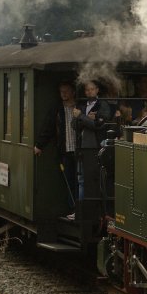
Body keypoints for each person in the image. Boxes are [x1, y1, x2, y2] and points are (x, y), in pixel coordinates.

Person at [34, 81, 78, 213]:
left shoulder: (79, 108)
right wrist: (39, 145)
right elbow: (48, 128)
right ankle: (74, 209)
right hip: (65, 151)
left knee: (80, 181)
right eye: (61, 91)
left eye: (66, 91)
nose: (63, 94)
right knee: (69, 181)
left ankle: (80, 209)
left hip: (80, 151)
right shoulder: (57, 109)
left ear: (73, 92)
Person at [73, 80, 113, 206]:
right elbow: (73, 125)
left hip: (96, 147)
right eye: (87, 89)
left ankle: (94, 208)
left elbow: (98, 125)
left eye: (92, 89)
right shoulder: (82, 106)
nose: (89, 92)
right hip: (81, 146)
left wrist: (81, 117)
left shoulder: (103, 105)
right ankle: (80, 209)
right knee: (81, 179)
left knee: (94, 179)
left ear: (97, 90)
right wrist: (86, 119)